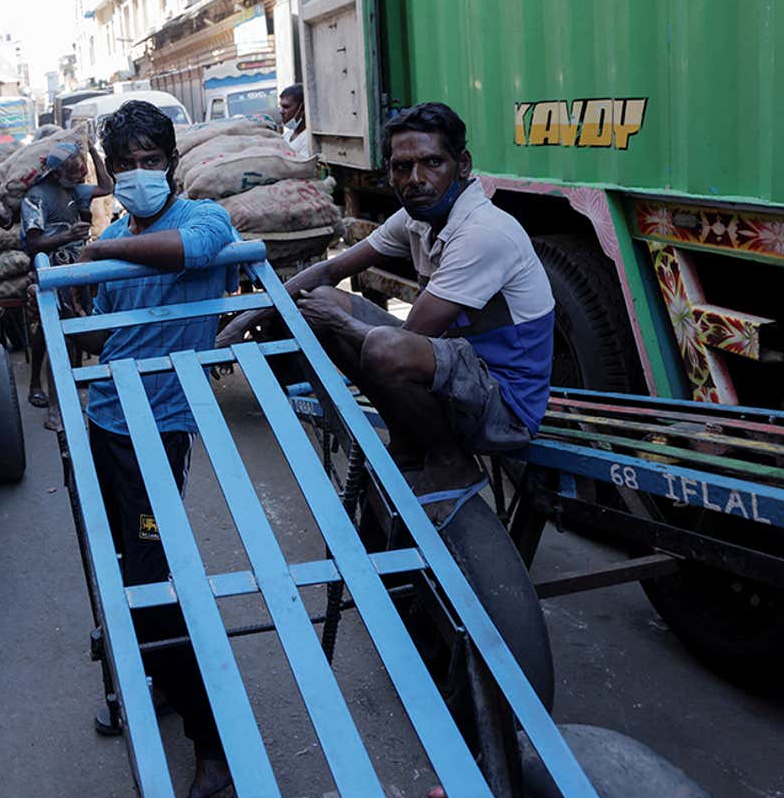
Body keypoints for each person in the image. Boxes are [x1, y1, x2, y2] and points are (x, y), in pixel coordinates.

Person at [220, 102, 555, 520]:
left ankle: (453, 464)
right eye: (402, 167)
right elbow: (330, 269)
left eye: (432, 163)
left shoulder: (483, 234)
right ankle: (410, 438)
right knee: (323, 302)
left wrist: (338, 321)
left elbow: (406, 343)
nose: (415, 180)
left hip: (505, 406)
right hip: (463, 374)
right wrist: (248, 318)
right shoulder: (419, 218)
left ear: (462, 165)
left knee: (376, 345)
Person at [72, 101, 238, 798]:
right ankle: (165, 684)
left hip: (159, 428)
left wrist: (103, 250)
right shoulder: (113, 230)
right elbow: (105, 333)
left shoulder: (201, 217)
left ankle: (214, 746)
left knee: (149, 593)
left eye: (151, 159)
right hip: (106, 422)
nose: (140, 173)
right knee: (122, 573)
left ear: (170, 159)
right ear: (109, 168)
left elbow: (196, 256)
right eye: (127, 162)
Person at [20, 130, 113, 429]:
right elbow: (33, 244)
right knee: (53, 333)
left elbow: (106, 185)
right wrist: (65, 237)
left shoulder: (74, 189)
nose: (80, 176)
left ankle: (68, 389)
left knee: (75, 327)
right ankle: (46, 394)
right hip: (49, 269)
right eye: (74, 170)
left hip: (77, 267)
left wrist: (94, 152)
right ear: (56, 171)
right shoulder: (36, 196)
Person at [280, 84, 311, 159]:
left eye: (286, 107)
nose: (281, 111)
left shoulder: (309, 139)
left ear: (303, 108)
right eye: (281, 106)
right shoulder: (287, 135)